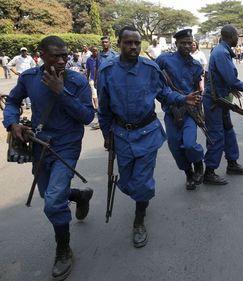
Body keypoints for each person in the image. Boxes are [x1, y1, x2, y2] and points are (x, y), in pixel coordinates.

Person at [97, 26, 201, 248]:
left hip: (147, 133)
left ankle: (139, 219)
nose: (133, 47)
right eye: (128, 43)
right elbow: (104, 110)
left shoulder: (150, 68)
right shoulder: (106, 71)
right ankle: (141, 199)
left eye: (136, 43)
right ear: (119, 44)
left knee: (142, 182)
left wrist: (183, 99)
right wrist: (107, 135)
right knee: (126, 182)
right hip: (121, 135)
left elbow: (164, 93)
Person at [2, 36, 95, 280]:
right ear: (41, 54)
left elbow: (87, 116)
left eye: (65, 55)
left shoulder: (77, 81)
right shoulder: (29, 78)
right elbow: (12, 102)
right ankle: (79, 195)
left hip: (66, 146)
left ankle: (63, 250)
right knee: (49, 194)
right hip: (38, 146)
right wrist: (12, 124)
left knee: (53, 201)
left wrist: (61, 92)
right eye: (56, 55)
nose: (63, 60)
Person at [202, 24, 243, 185]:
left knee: (228, 132)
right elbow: (231, 79)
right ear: (231, 36)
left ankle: (232, 163)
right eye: (236, 37)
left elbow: (223, 78)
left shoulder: (222, 51)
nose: (237, 40)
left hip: (221, 99)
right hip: (214, 101)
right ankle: (209, 172)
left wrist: (231, 88)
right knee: (216, 135)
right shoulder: (221, 52)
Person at [156, 29, 205, 190]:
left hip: (189, 113)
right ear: (176, 44)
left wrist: (199, 107)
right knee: (175, 147)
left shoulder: (196, 65)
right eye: (182, 43)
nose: (186, 46)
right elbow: (157, 86)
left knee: (190, 145)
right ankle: (188, 173)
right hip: (171, 112)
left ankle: (198, 163)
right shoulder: (163, 60)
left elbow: (198, 88)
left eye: (189, 43)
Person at [86, 47, 100, 130]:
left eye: (96, 50)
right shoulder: (89, 60)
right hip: (92, 80)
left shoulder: (100, 59)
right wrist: (86, 79)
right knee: (95, 97)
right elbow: (88, 70)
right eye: (94, 51)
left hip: (101, 80)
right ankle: (97, 111)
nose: (95, 52)